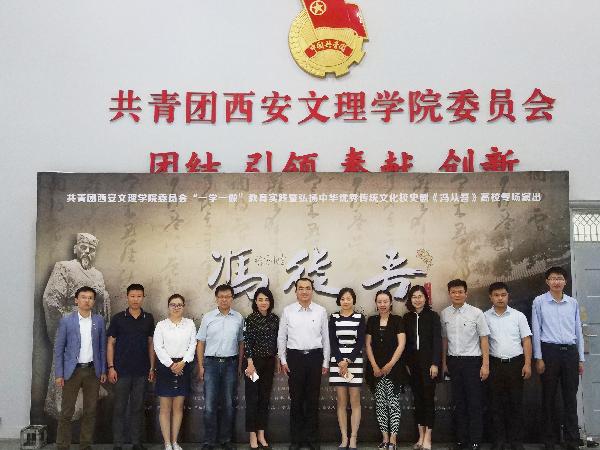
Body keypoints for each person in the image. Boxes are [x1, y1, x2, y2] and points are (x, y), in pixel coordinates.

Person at [43, 232, 111, 418]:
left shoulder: (97, 275)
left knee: (90, 390)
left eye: (91, 249)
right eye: (83, 247)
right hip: (71, 329)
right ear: (75, 248)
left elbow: (101, 305)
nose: (87, 251)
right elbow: (51, 300)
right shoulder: (64, 267)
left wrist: (104, 298)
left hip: (92, 331)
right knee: (66, 394)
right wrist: (70, 322)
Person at [532, 267, 585, 450]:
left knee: (570, 398)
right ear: (547, 281)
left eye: (560, 278)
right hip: (550, 352)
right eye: (553, 278)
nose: (557, 282)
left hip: (570, 353)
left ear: (565, 281)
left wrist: (580, 358)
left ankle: (572, 440)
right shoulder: (539, 301)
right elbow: (536, 330)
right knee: (548, 397)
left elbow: (578, 330)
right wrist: (538, 357)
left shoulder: (572, 303)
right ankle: (549, 440)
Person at [278, 277, 330, 450]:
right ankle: (296, 440)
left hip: (315, 358)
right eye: (301, 288)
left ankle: (312, 440)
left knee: (313, 400)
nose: (304, 291)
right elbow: (281, 337)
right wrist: (283, 359)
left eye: (308, 288)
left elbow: (326, 338)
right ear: (296, 291)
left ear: (312, 291)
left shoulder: (320, 311)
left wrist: (325, 361)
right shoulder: (288, 311)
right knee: (296, 400)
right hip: (295, 358)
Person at [53, 286, 107, 450]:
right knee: (67, 411)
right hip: (72, 371)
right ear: (76, 300)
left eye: (90, 298)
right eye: (83, 297)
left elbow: (102, 348)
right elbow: (59, 349)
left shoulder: (98, 321)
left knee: (90, 410)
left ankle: (85, 445)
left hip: (92, 371)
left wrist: (103, 370)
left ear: (93, 301)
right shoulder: (67, 321)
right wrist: (59, 374)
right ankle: (63, 445)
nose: (87, 300)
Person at [441, 279, 490, 450]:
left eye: (460, 291)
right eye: (453, 292)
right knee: (459, 403)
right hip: (454, 362)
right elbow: (445, 340)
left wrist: (485, 364)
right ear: (449, 294)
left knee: (474, 402)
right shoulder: (444, 314)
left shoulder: (476, 313)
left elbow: (484, 339)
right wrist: (444, 362)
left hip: (472, 362)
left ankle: (475, 440)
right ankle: (461, 440)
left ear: (466, 293)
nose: (457, 295)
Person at [107, 283, 156, 450]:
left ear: (143, 297)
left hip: (142, 371)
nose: (136, 299)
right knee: (119, 408)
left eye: (139, 296)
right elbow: (110, 343)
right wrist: (111, 367)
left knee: (137, 408)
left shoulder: (148, 318)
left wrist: (151, 367)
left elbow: (151, 344)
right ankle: (118, 444)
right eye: (132, 296)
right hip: (121, 371)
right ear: (127, 297)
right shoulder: (118, 318)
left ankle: (137, 443)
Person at [484, 281, 532, 450]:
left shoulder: (518, 316)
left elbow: (526, 340)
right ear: (490, 297)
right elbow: (483, 341)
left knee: (515, 404)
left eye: (503, 295)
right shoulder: (484, 317)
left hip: (515, 364)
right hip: (495, 364)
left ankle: (516, 442)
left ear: (508, 296)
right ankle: (499, 442)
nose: (500, 298)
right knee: (495, 405)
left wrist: (527, 364)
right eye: (496, 295)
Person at [196, 284, 244, 450]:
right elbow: (200, 342)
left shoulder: (238, 317)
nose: (224, 299)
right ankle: (209, 441)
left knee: (228, 404)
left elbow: (241, 343)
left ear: (232, 298)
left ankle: (226, 440)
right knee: (209, 405)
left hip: (231, 363)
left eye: (227, 296)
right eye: (221, 297)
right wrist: (201, 366)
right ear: (216, 298)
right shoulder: (208, 317)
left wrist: (239, 365)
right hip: (211, 364)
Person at [153, 294, 197, 450]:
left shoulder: (190, 324)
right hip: (166, 367)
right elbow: (158, 347)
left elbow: (193, 345)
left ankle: (175, 441)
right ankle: (167, 443)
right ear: (168, 306)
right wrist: (171, 364)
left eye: (179, 305)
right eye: (173, 304)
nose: (176, 307)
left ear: (183, 306)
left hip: (184, 366)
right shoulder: (161, 325)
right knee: (165, 408)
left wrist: (183, 362)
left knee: (178, 407)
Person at [365, 289, 407, 450]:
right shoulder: (372, 320)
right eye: (379, 301)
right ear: (376, 304)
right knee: (381, 404)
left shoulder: (397, 320)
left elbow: (401, 344)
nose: (382, 304)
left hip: (394, 369)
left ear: (390, 303)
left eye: (385, 301)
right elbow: (368, 345)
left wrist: (390, 364)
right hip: (376, 369)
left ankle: (393, 440)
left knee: (393, 403)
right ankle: (385, 438)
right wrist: (374, 366)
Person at [403, 285, 442, 450]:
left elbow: (437, 341)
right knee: (418, 400)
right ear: (410, 299)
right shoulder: (407, 318)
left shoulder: (433, 316)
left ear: (426, 298)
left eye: (420, 296)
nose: (417, 300)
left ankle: (428, 437)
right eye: (414, 297)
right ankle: (420, 436)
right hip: (413, 365)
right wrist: (406, 363)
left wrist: (435, 363)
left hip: (429, 365)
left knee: (428, 400)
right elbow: (404, 344)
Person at [329, 287, 366, 450]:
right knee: (341, 401)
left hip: (354, 362)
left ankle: (353, 438)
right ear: (339, 300)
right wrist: (340, 361)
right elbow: (332, 341)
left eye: (348, 298)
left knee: (355, 400)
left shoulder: (359, 317)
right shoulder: (334, 317)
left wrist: (348, 360)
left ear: (353, 300)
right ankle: (344, 437)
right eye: (343, 298)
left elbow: (360, 342)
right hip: (337, 362)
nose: (345, 301)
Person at [243, 287, 280, 450]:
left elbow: (277, 341)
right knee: (252, 398)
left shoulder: (274, 319)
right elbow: (247, 342)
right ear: (255, 302)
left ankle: (261, 434)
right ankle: (252, 435)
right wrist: (250, 363)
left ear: (270, 302)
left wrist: (277, 358)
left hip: (269, 362)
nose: (263, 302)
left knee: (265, 398)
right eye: (260, 299)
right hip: (253, 364)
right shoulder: (250, 319)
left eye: (266, 299)